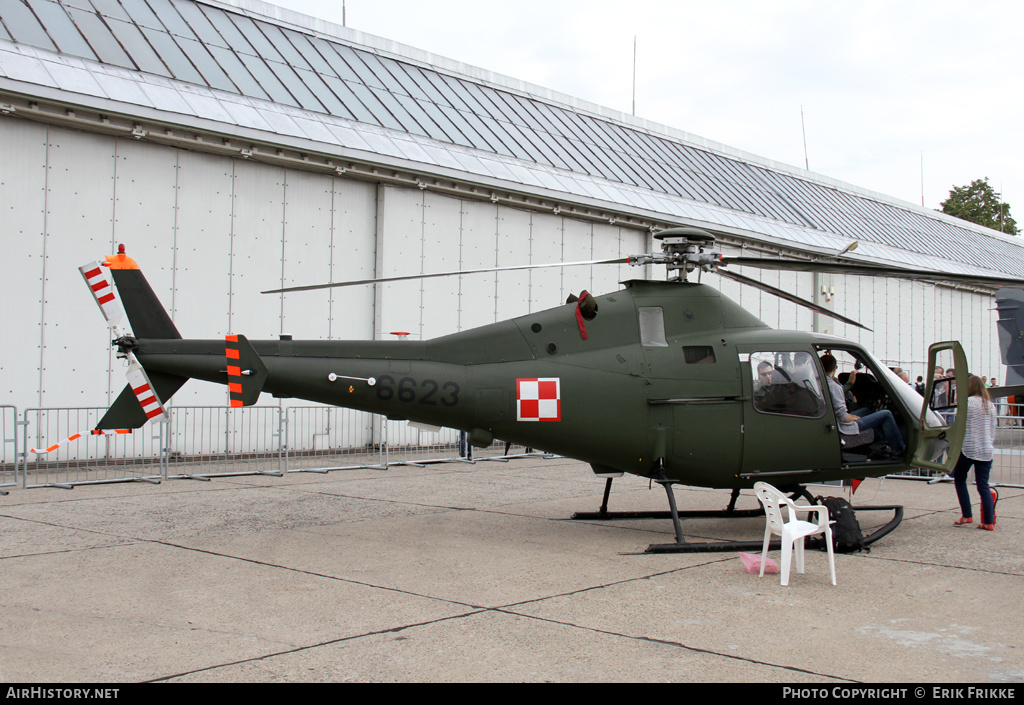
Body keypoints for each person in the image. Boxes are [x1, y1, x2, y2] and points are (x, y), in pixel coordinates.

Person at [821, 354, 906, 458]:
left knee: (867, 410)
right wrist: (855, 418)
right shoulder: (834, 387)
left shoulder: (820, 383)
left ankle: (881, 442)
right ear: (835, 368)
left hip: (834, 420)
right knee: (886, 414)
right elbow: (844, 417)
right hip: (843, 427)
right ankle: (899, 450)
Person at [952, 375, 998, 530]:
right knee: (983, 485)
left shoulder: (966, 403)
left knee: (959, 479)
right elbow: (993, 429)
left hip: (968, 447)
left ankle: (967, 515)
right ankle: (989, 522)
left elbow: (960, 425)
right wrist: (989, 443)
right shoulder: (990, 405)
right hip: (986, 449)